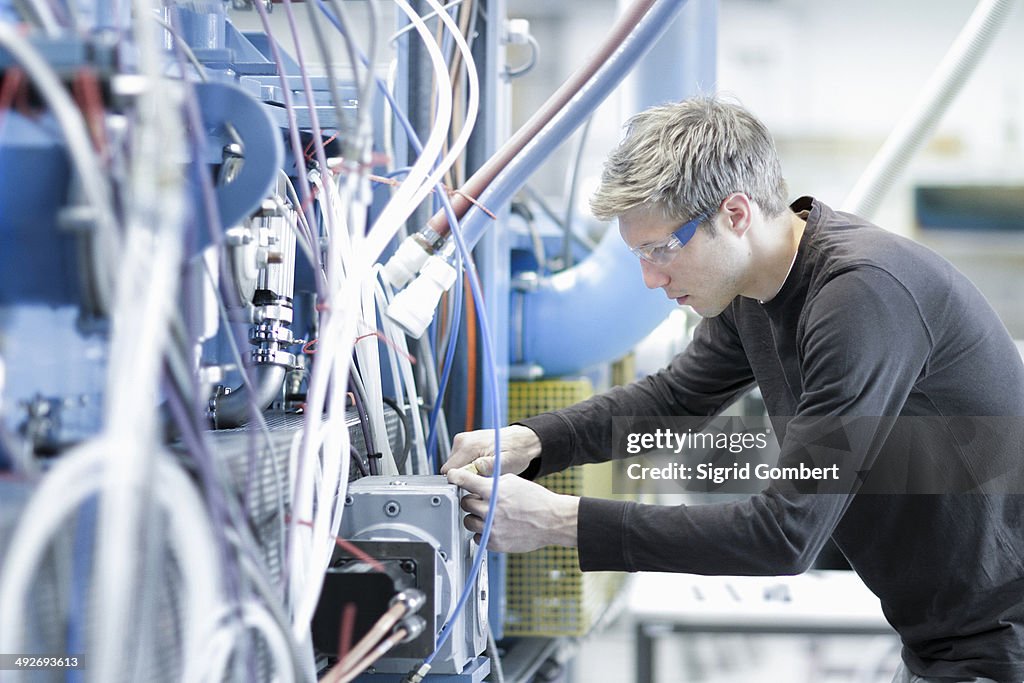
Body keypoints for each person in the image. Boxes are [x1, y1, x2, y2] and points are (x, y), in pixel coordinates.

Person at [443, 97, 1024, 681]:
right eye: (638, 254)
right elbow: (674, 401)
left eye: (661, 248)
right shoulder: (754, 293)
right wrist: (531, 441)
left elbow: (784, 533)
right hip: (946, 635)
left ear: (737, 214)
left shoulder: (861, 296)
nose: (651, 277)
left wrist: (559, 521)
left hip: (1003, 639)